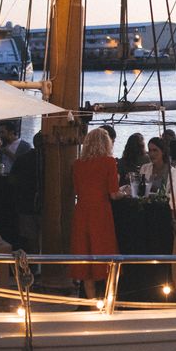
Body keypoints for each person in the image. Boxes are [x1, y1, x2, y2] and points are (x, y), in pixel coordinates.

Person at [69, 128, 127, 299]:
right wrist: (126, 192)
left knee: (85, 257)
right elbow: (114, 194)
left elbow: (77, 190)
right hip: (101, 212)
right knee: (107, 255)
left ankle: (91, 302)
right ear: (106, 143)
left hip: (82, 212)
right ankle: (109, 300)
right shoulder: (109, 162)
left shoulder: (78, 164)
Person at [9, 132, 44, 250]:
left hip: (25, 204)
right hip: (46, 205)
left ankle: (32, 265)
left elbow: (12, 181)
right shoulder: (51, 160)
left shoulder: (22, 159)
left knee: (30, 239)